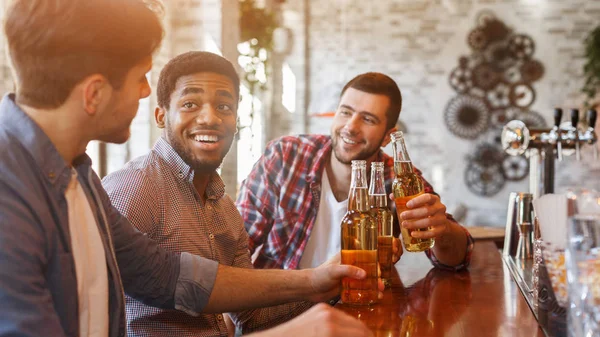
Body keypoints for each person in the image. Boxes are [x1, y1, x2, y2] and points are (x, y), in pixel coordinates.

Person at [0, 1, 373, 337]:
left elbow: (168, 275)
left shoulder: (80, 178)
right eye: (140, 77)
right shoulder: (10, 195)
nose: (146, 92)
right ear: (94, 93)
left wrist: (314, 280)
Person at [102, 51, 373, 336]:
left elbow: (253, 316)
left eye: (224, 106)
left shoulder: (224, 208)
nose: (210, 118)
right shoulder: (134, 188)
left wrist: (332, 283)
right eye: (190, 104)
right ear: (160, 116)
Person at [237, 72, 474, 271]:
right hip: (279, 312)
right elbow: (237, 244)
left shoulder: (397, 178)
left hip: (357, 312)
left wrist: (441, 230)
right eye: (345, 112)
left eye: (368, 119)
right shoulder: (286, 156)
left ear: (388, 136)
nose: (351, 127)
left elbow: (456, 260)